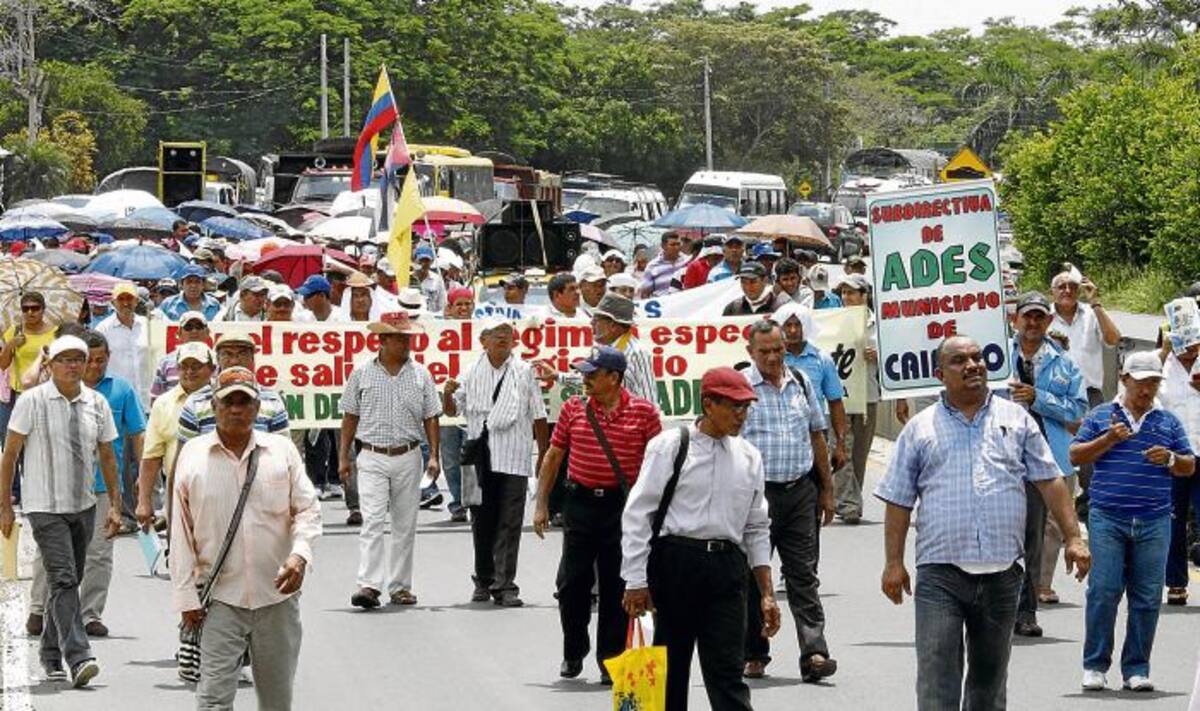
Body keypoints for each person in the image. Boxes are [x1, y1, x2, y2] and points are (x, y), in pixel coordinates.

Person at [876, 335, 1089, 710]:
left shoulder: (1016, 419)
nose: (973, 365)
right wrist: (894, 563)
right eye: (960, 361)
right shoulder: (920, 429)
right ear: (940, 374)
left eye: (977, 358)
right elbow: (898, 501)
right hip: (940, 574)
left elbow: (1050, 480)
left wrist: (1074, 536)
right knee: (937, 681)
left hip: (1003, 574)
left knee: (989, 688)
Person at [622, 366, 778, 711]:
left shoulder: (749, 457)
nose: (742, 415)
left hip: (726, 570)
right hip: (676, 565)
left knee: (727, 673)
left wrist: (766, 593)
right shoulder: (670, 446)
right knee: (668, 672)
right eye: (734, 407)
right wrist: (635, 580)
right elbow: (638, 514)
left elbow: (756, 527)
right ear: (709, 404)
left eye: (746, 407)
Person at [171, 366, 321, 710]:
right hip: (220, 598)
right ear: (214, 406)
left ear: (257, 409)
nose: (236, 409)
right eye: (228, 402)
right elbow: (181, 530)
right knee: (213, 700)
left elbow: (308, 510)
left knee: (276, 699)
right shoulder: (193, 456)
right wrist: (185, 597)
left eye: (244, 402)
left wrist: (299, 555)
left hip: (277, 599)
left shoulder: (281, 451)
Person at [532, 345, 662, 683]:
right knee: (572, 584)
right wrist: (542, 503)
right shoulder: (574, 409)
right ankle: (573, 651)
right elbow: (554, 455)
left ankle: (611, 659)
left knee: (617, 585)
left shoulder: (644, 413)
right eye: (584, 374)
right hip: (580, 506)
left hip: (623, 509)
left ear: (614, 378)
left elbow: (658, 465)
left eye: (593, 374)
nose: (585, 379)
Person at [0, 335, 122, 688]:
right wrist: (5, 505)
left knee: (67, 582)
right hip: (44, 506)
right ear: (50, 364)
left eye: (77, 359)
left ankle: (50, 652)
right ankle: (79, 656)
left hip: (83, 505)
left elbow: (109, 456)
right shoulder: (32, 402)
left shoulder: (96, 403)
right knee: (64, 578)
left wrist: (114, 504)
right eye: (64, 359)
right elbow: (9, 455)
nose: (72, 366)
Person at [1070, 351, 1195, 693]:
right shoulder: (1101, 416)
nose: (1146, 390)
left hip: (1155, 519)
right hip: (1108, 516)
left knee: (1147, 596)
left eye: (1153, 382)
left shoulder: (1167, 421)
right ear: (1124, 380)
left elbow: (1188, 465)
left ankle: (1136, 668)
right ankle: (1095, 665)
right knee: (1104, 590)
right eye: (1141, 382)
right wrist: (1109, 439)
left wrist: (1170, 458)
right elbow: (1075, 454)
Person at [28, 329, 146, 638]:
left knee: (99, 553)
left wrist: (143, 481)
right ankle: (39, 608)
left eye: (100, 360)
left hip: (103, 487)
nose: (94, 366)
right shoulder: (51, 390)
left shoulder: (121, 390)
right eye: (87, 360)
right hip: (59, 486)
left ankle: (89, 613)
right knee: (50, 552)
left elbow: (136, 434)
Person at [739, 320, 837, 683]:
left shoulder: (800, 382)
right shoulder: (742, 388)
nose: (772, 357)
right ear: (750, 352)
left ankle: (814, 652)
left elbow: (816, 434)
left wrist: (827, 490)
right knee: (752, 577)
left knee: (803, 576)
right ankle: (753, 652)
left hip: (800, 493)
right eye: (764, 351)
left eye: (778, 349)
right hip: (754, 497)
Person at [339, 311, 441, 609]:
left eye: (407, 337)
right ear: (382, 340)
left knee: (404, 524)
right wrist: (344, 456)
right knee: (372, 520)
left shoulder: (421, 374)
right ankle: (369, 584)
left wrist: (433, 455)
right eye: (399, 337)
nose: (406, 343)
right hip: (371, 455)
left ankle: (400, 586)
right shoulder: (361, 373)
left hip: (409, 454)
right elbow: (349, 415)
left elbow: (431, 416)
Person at [444, 320, 548, 607]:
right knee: (481, 520)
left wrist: (543, 454)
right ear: (484, 341)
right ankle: (484, 579)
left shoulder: (524, 372)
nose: (504, 340)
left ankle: (505, 585)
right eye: (497, 336)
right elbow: (452, 410)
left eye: (508, 336)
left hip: (514, 456)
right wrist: (446, 392)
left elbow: (538, 415)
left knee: (510, 521)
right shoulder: (470, 371)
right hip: (479, 455)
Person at [1007, 292, 1088, 636]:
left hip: (1043, 461)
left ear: (1048, 322)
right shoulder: (994, 356)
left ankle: (1026, 611)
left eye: (1040, 317)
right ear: (1015, 319)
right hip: (1001, 457)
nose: (1033, 322)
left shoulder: (1064, 363)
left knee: (1033, 539)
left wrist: (1039, 398)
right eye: (1027, 316)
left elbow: (1078, 411)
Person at [832, 275, 908, 523]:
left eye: (852, 293)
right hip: (839, 399)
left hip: (869, 397)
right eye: (844, 293)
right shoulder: (832, 322)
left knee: (859, 454)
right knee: (840, 447)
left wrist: (880, 355)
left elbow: (899, 361)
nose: (847, 298)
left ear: (865, 296)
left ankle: (851, 499)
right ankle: (849, 504)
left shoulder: (882, 326)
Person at [135, 342, 215, 530]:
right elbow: (151, 457)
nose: (189, 372)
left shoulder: (224, 399)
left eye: (196, 366)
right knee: (178, 555)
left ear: (211, 369)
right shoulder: (163, 404)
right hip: (177, 494)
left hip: (217, 494)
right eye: (184, 367)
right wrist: (144, 501)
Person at [770, 303, 849, 481]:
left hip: (816, 435)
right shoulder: (772, 359)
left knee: (818, 490)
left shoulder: (822, 360)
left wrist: (840, 444)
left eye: (797, 325)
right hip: (780, 436)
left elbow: (835, 403)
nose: (792, 330)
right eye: (788, 325)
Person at [1159, 340, 1200, 605]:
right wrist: (1162, 355)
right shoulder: (1159, 364)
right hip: (1173, 454)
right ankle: (1175, 583)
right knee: (1173, 521)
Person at [591, 293, 658, 407]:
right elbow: (590, 382)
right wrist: (558, 376)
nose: (591, 323)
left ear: (612, 325)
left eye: (596, 320)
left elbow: (648, 400)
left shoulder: (636, 353)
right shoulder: (600, 349)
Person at [95, 281, 150, 411]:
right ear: (113, 303)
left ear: (136, 301)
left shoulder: (148, 325)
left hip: (146, 400)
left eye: (129, 298)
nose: (126, 303)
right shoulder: (103, 329)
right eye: (121, 299)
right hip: (117, 401)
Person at [149, 311, 210, 405]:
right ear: (179, 333)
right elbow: (155, 399)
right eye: (188, 327)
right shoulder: (165, 363)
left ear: (207, 332)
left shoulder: (216, 361)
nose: (194, 331)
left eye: (199, 327)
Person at [722, 262, 791, 316]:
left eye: (753, 282)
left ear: (765, 280)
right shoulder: (733, 308)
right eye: (743, 282)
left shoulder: (781, 305)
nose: (748, 286)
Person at [639, 231, 689, 298]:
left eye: (678, 244)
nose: (676, 247)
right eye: (673, 245)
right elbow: (645, 292)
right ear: (663, 246)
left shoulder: (687, 262)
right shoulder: (653, 266)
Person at [414, 245, 446, 313]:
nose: (423, 264)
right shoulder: (409, 279)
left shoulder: (437, 280)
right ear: (415, 260)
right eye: (420, 260)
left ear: (431, 262)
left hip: (432, 318)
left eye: (426, 261)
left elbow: (442, 304)